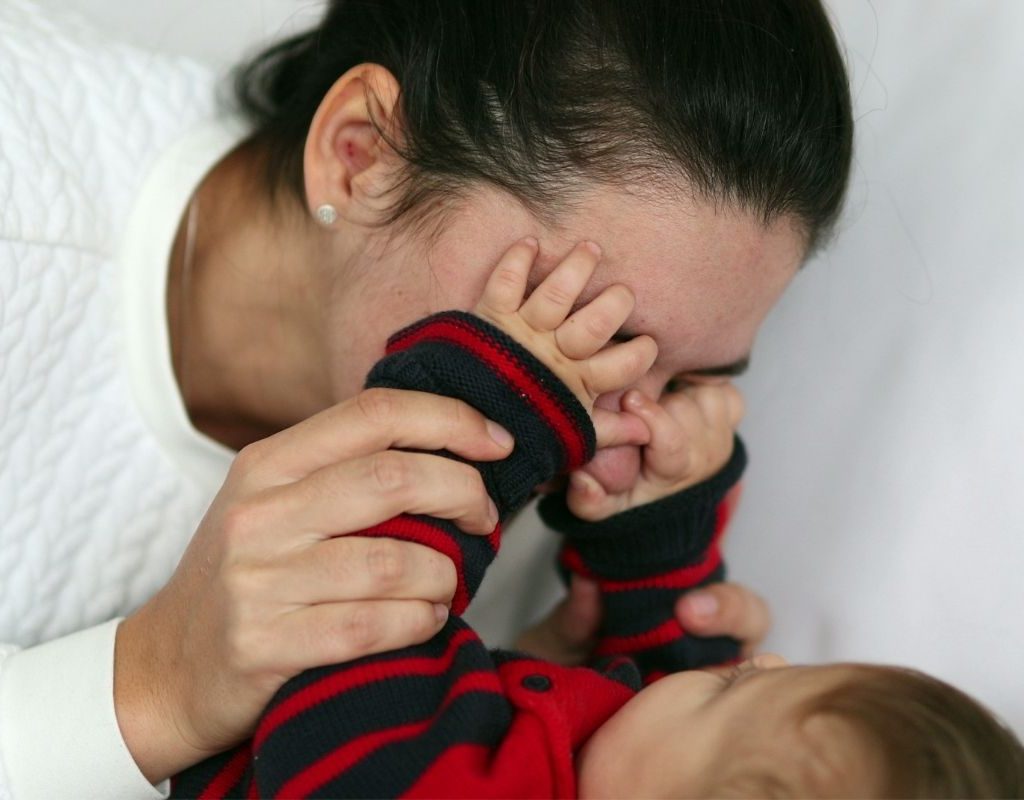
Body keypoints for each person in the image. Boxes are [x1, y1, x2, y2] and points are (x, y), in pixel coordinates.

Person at [0, 0, 851, 796]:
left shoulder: (528, 491)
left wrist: (542, 715)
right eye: (581, 328)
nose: (619, 449)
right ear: (360, 154)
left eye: (693, 381)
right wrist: (153, 684)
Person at [171, 242, 1024, 799]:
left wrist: (495, 401)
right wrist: (657, 517)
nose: (759, 658)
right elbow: (669, 662)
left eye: (732, 691)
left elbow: (356, 620)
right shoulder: (628, 766)